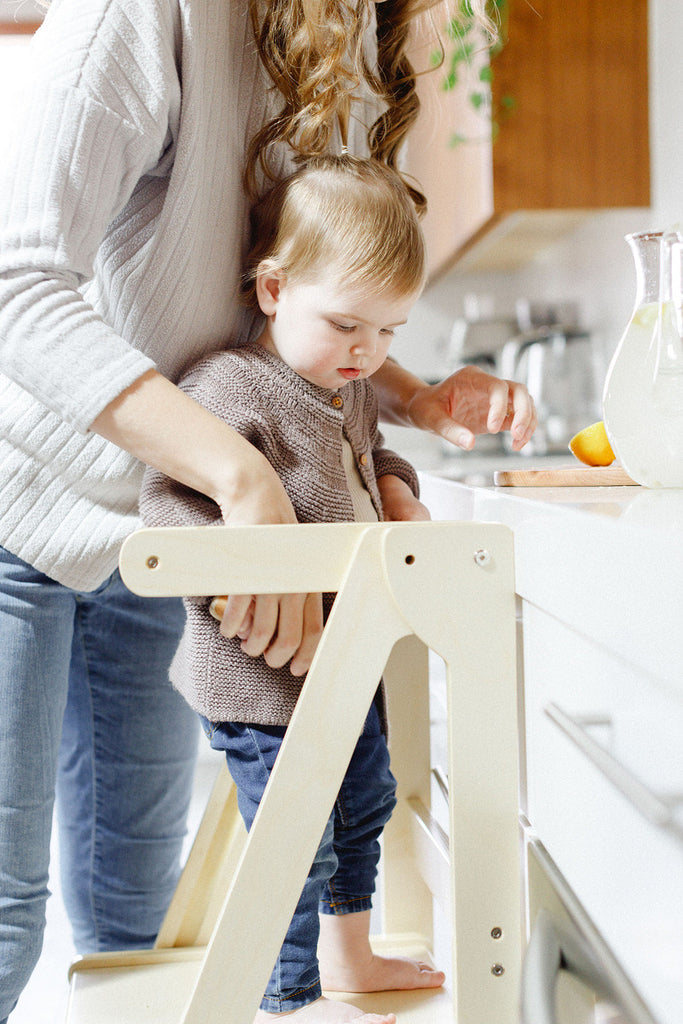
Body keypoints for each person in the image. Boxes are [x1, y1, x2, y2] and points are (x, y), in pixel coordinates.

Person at [0, 0, 536, 1019]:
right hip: (23, 498)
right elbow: (14, 283)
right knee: (8, 911)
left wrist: (410, 395)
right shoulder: (149, 14)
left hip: (155, 535)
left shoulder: (350, 45)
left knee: (129, 923)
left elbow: (282, 321)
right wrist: (244, 485)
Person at [140, 153, 441, 1024]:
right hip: (263, 682)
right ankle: (288, 993)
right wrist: (244, 593)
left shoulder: (345, 390)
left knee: (362, 809)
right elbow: (168, 507)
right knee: (293, 838)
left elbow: (375, 453)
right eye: (349, 324)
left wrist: (397, 491)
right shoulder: (228, 389)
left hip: (350, 667)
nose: (369, 352)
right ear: (272, 290)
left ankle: (353, 958)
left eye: (390, 332)